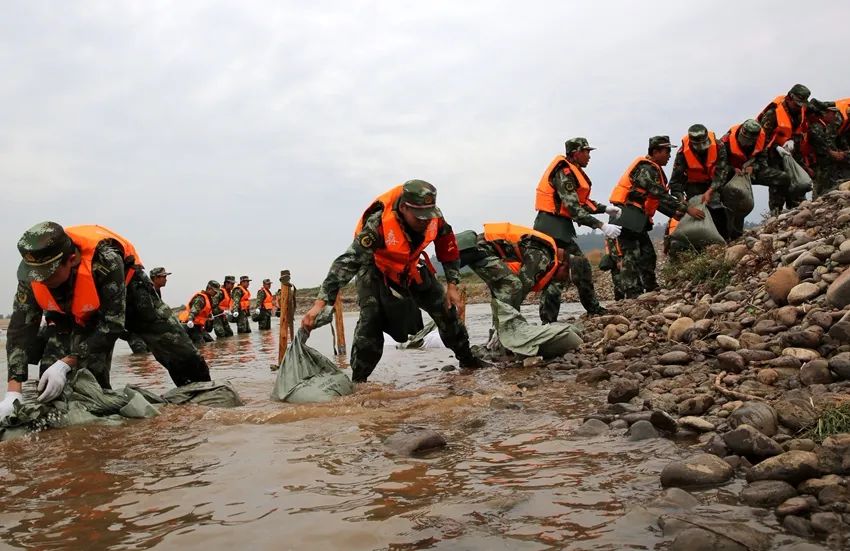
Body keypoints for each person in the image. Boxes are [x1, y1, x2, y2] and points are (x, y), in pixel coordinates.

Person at [0, 222, 211, 421]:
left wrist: (66, 363)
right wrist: (13, 392)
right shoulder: (33, 271)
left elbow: (112, 324)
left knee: (180, 352)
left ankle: (204, 409)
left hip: (129, 295)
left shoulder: (105, 259)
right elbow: (20, 329)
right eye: (37, 276)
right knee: (69, 389)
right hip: (71, 312)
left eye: (48, 274)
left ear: (72, 259)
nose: (41, 280)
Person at [301, 180, 478, 382]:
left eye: (428, 216)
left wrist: (452, 285)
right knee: (371, 320)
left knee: (445, 309)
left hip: (411, 268)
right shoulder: (377, 225)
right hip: (377, 269)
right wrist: (319, 304)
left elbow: (448, 247)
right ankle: (359, 381)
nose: (425, 221)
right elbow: (347, 263)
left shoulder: (434, 217)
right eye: (419, 217)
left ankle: (468, 361)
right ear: (403, 207)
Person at [532, 137, 622, 321]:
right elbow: (574, 209)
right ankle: (548, 322)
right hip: (550, 228)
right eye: (586, 151)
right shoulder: (563, 172)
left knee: (581, 266)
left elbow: (581, 203)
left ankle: (593, 309)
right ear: (576, 153)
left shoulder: (572, 172)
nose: (589, 156)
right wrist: (601, 226)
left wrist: (605, 209)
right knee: (557, 272)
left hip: (560, 228)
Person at [609, 136, 705, 298]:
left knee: (648, 254)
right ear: (655, 151)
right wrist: (687, 208)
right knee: (630, 257)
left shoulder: (652, 169)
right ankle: (633, 295)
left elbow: (655, 201)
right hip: (626, 216)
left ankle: (650, 287)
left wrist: (674, 213)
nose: (669, 155)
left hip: (636, 218)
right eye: (667, 151)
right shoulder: (646, 169)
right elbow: (657, 192)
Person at [457, 223, 569, 312]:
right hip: (479, 249)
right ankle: (508, 328)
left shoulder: (546, 251)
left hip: (483, 248)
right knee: (513, 286)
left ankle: (500, 330)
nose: (561, 280)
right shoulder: (542, 256)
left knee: (504, 290)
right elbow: (523, 284)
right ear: (563, 264)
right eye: (565, 277)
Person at [720, 119, 790, 238]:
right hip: (731, 175)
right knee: (736, 197)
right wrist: (732, 169)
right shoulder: (725, 141)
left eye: (750, 140)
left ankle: (776, 213)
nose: (747, 143)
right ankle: (732, 234)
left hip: (751, 172)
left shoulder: (761, 139)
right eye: (745, 139)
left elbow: (762, 161)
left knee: (783, 178)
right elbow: (719, 165)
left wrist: (754, 167)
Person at [669, 124, 731, 240]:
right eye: (698, 145)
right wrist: (683, 203)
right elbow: (675, 183)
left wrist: (711, 190)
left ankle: (724, 239)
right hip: (693, 185)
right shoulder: (682, 154)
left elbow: (721, 172)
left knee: (716, 207)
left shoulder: (719, 146)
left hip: (713, 182)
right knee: (695, 212)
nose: (702, 148)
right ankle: (696, 242)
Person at [757, 84, 812, 213]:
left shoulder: (801, 110)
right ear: (789, 98)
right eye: (796, 103)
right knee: (779, 183)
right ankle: (776, 215)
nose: (798, 107)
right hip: (773, 153)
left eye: (801, 104)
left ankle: (798, 211)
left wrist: (793, 140)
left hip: (791, 151)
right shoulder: (772, 114)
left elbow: (800, 131)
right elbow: (762, 138)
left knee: (797, 182)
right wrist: (776, 147)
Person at [804, 99, 849, 197]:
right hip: (813, 161)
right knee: (821, 184)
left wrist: (839, 153)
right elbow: (825, 146)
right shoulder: (816, 127)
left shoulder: (822, 126)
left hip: (817, 160)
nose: (834, 117)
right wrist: (836, 153)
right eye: (833, 114)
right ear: (825, 113)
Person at [178, 280, 221, 345]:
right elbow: (193, 311)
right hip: (190, 325)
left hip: (199, 326)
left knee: (210, 342)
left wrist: (210, 318)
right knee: (201, 344)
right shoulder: (200, 298)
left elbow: (204, 314)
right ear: (209, 289)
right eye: (215, 291)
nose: (216, 293)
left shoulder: (208, 299)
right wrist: (190, 320)